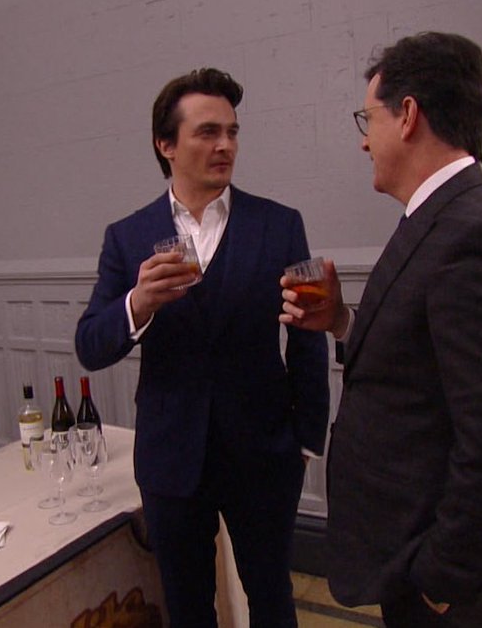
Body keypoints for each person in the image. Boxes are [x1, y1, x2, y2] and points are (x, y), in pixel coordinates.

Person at [280, 32, 482, 627]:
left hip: (439, 572)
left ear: (407, 115)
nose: (362, 140)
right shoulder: (437, 217)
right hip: (408, 544)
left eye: (367, 119)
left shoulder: (476, 236)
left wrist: (443, 579)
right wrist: (341, 322)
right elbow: (418, 366)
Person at [75, 67, 329, 626]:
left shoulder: (281, 224)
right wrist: (138, 303)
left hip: (265, 452)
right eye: (208, 132)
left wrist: (307, 437)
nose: (225, 146)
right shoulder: (127, 237)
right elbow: (89, 345)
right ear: (165, 145)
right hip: (170, 456)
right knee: (188, 608)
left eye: (232, 132)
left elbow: (307, 331)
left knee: (272, 599)